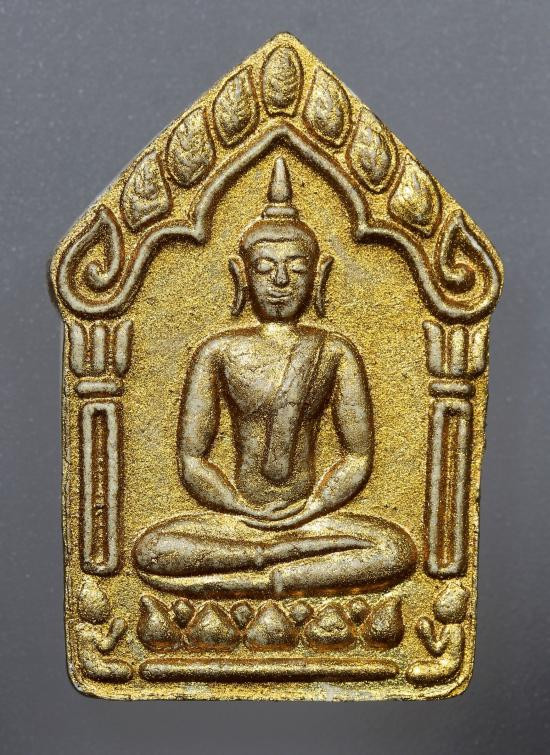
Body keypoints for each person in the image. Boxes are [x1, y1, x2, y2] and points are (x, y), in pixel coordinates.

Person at [134, 157, 416, 598]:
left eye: (297, 269)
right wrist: (238, 508)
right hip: (236, 522)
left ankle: (265, 577)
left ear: (319, 276)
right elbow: (192, 458)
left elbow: (357, 456)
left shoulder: (335, 351)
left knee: (396, 550)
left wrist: (313, 508)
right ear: (241, 275)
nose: (281, 281)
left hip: (313, 519)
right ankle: (267, 562)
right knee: (151, 549)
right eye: (265, 268)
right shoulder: (218, 351)